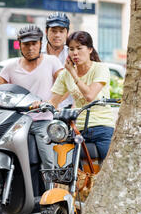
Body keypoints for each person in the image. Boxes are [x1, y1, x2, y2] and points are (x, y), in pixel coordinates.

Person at [0, 25, 63, 175]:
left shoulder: (52, 61)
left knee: (49, 162)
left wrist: (52, 102)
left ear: (40, 44)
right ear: (19, 45)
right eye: (26, 44)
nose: (30, 48)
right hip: (16, 123)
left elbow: (65, 83)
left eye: (34, 43)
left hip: (42, 120)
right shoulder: (11, 67)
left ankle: (53, 191)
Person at [46, 31, 115, 160]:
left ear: (90, 49)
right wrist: (38, 104)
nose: (75, 53)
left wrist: (73, 73)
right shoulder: (65, 75)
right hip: (78, 130)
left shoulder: (100, 68)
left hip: (102, 127)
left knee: (110, 169)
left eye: (79, 48)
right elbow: (53, 101)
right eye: (71, 49)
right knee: (64, 166)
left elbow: (90, 95)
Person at [42, 12, 73, 108]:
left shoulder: (73, 55)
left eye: (61, 31)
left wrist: (53, 103)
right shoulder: (37, 54)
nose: (57, 35)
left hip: (67, 110)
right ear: (46, 32)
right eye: (54, 31)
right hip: (39, 109)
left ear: (67, 33)